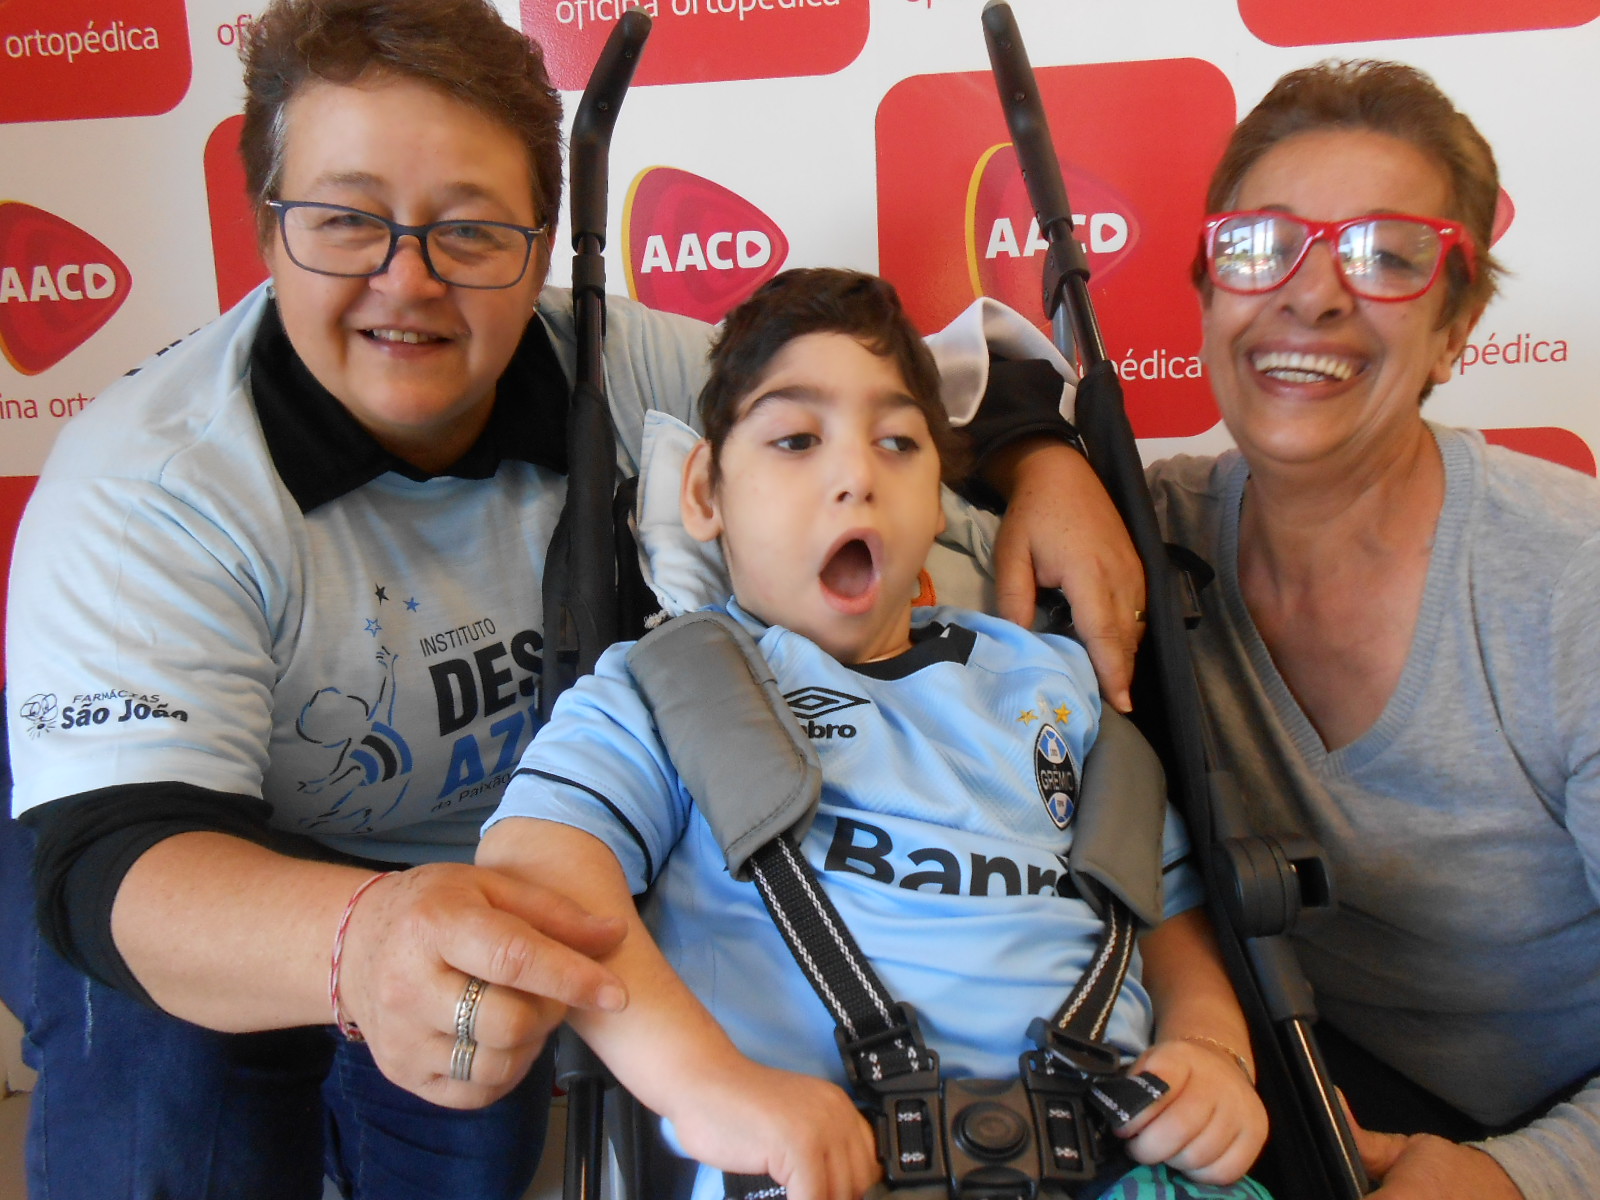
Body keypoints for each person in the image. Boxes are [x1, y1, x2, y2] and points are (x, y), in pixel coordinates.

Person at [0, 2, 1145, 1197]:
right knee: (171, 1120)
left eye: (472, 231)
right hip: (183, 846)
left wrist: (1039, 463)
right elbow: (107, 862)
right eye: (345, 220)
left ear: (541, 248)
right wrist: (361, 941)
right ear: (265, 229)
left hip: (490, 870)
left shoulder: (621, 368)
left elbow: (872, 408)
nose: (410, 282)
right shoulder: (151, 486)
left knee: (461, 1135)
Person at [477, 268, 1271, 1200]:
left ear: (939, 503)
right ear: (704, 492)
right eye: (796, 439)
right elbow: (540, 869)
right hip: (814, 1158)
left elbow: (1165, 907)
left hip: (1103, 1150)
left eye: (898, 443)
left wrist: (1211, 1048)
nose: (855, 476)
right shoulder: (664, 688)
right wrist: (709, 1086)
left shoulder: (1045, 681)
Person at [986, 59, 1600, 1200]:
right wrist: (1040, 459)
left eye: (1383, 255)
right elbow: (888, 409)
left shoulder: (1569, 588)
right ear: (1209, 296)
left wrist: (1518, 1179)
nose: (1310, 295)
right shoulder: (1140, 532)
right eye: (1259, 247)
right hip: (1279, 1106)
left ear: (1457, 327)